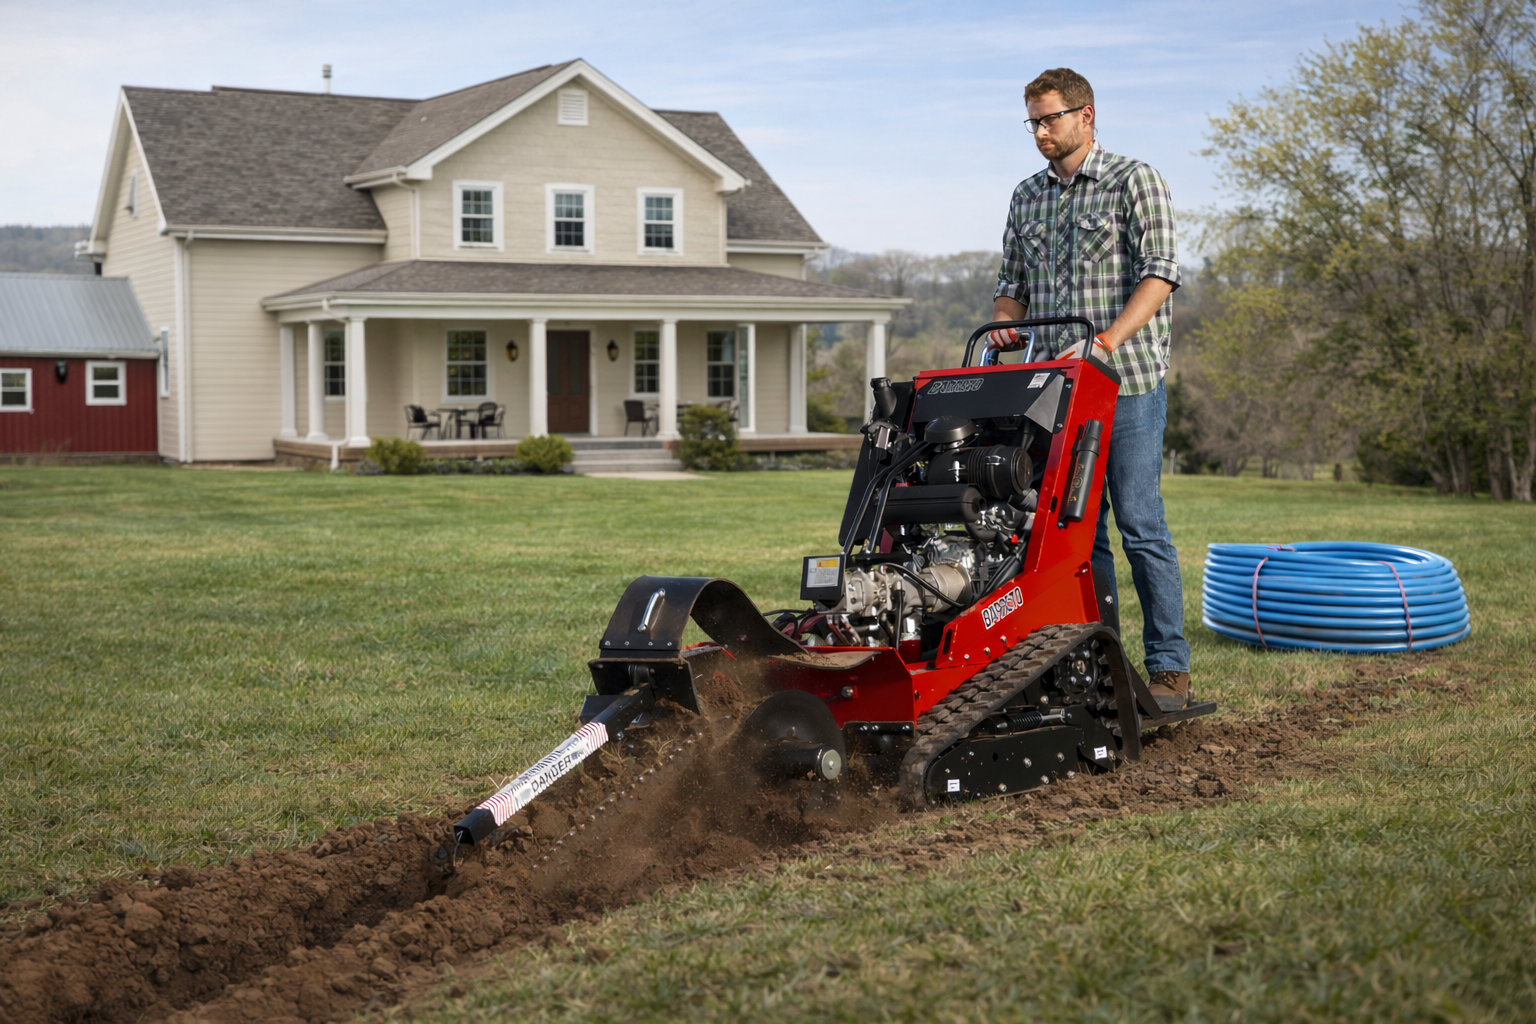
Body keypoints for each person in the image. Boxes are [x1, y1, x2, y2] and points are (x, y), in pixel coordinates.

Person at [986, 67, 1191, 710]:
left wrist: (1104, 343)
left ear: (1087, 115)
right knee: (1079, 533)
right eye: (1033, 122)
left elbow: (1158, 277)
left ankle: (1170, 670)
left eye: (1050, 119)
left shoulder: (1137, 181)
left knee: (1140, 525)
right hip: (1054, 391)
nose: (1041, 132)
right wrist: (1002, 327)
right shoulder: (1027, 196)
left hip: (1125, 383)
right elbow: (1012, 282)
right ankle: (1101, 661)